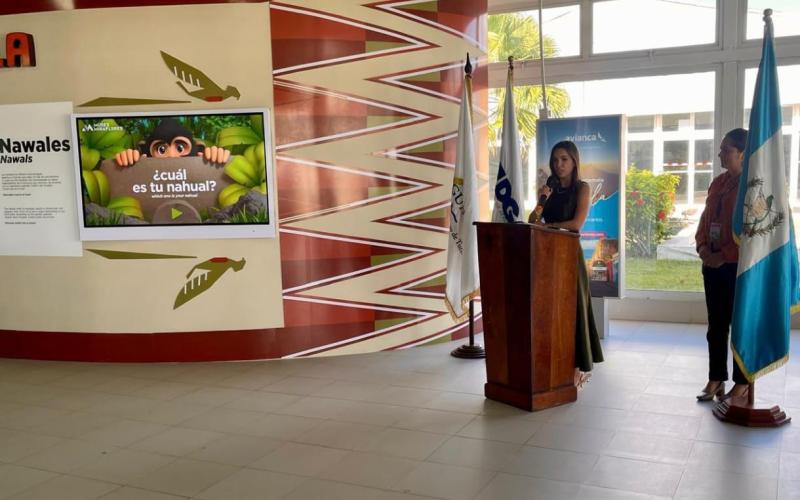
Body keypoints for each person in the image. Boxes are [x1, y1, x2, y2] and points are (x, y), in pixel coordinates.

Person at [528, 140, 604, 387]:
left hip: (568, 254)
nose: (559, 165)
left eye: (564, 159)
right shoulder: (548, 188)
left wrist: (548, 226)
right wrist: (542, 199)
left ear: (574, 161)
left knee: (573, 309)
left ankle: (577, 367)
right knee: (550, 310)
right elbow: (533, 219)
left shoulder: (582, 188)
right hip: (545, 255)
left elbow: (576, 223)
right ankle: (552, 363)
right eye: (555, 160)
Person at [695, 128, 749, 402]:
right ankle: (716, 378)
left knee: (740, 326)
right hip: (712, 264)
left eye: (725, 150)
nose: (720, 154)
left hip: (736, 267)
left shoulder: (753, 187)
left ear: (743, 154)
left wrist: (724, 255)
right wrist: (703, 246)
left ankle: (742, 382)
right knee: (716, 325)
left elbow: (753, 233)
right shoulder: (718, 183)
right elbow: (705, 219)